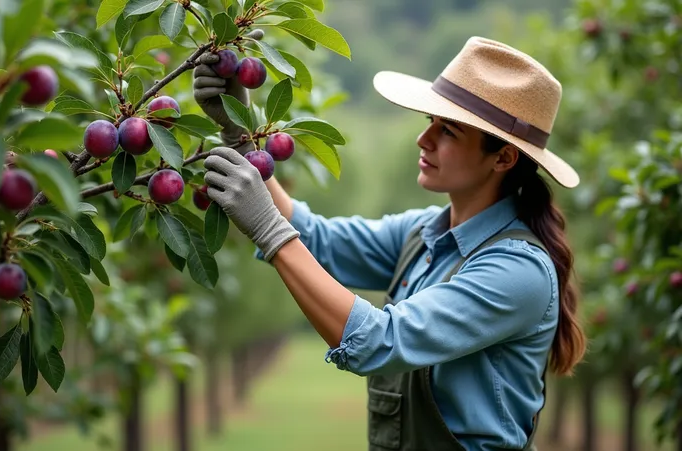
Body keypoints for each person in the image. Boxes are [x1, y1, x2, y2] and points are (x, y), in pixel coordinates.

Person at [192, 36, 587, 451]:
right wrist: (240, 132)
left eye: (447, 131)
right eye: (429, 121)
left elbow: (382, 342)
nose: (424, 139)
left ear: (503, 158)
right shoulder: (423, 234)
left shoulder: (517, 271)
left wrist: (269, 230)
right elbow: (317, 239)